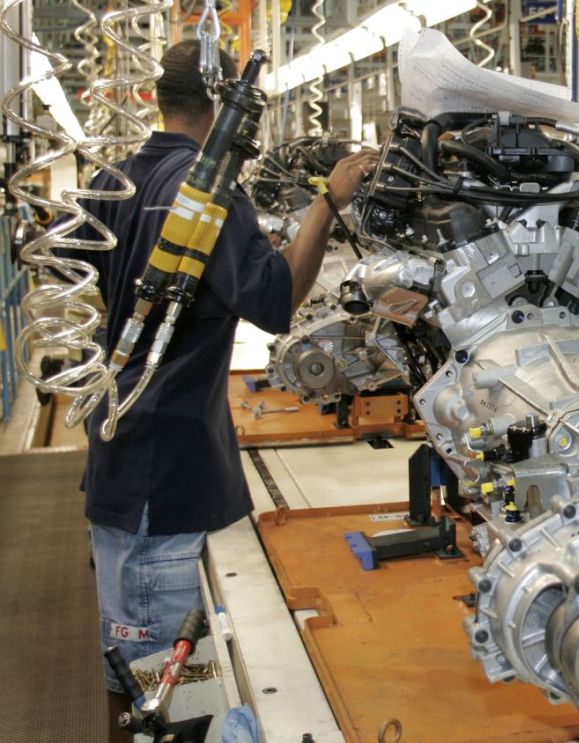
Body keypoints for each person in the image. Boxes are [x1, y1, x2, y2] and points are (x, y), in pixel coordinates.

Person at [68, 40, 377, 741]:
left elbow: (80, 285)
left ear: (157, 100)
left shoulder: (110, 181)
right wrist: (327, 201)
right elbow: (275, 301)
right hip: (166, 484)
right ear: (226, 111)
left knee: (131, 678)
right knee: (170, 697)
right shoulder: (206, 193)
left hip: (117, 463)